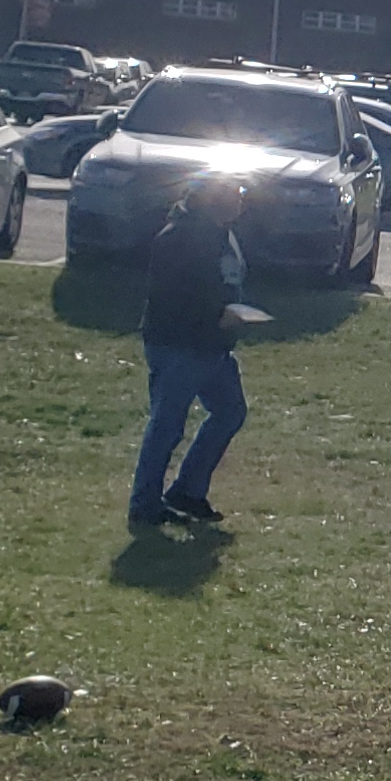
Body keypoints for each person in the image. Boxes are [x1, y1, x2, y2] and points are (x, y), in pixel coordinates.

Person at [132, 175, 252, 531]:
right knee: (167, 426)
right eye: (235, 194)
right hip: (179, 345)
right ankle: (144, 503)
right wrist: (217, 315)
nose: (241, 200)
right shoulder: (178, 238)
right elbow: (171, 298)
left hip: (213, 346)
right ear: (211, 200)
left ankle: (187, 491)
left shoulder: (222, 234)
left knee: (230, 411)